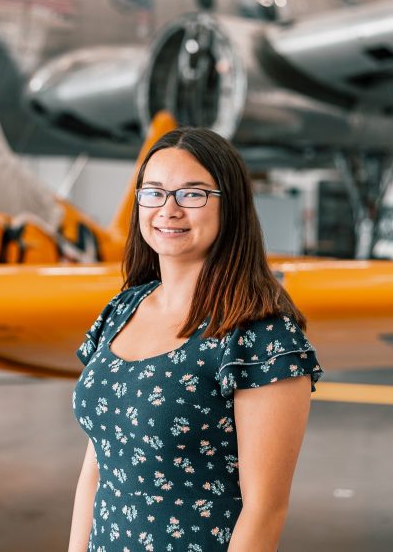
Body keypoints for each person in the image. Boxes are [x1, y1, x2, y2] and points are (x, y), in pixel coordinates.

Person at [69, 127, 323, 552]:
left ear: (232, 207)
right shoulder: (122, 310)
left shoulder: (260, 336)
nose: (168, 210)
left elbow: (265, 509)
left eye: (192, 194)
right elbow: (97, 467)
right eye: (153, 192)